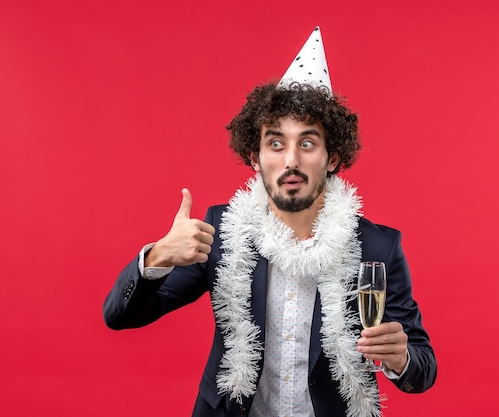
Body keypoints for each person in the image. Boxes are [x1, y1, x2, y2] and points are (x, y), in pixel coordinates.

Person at [103, 27, 437, 417]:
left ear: (331, 158)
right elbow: (120, 317)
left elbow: (422, 370)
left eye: (307, 143)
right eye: (275, 143)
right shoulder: (222, 233)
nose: (291, 160)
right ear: (255, 157)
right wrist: (157, 257)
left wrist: (400, 360)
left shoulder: (378, 247)